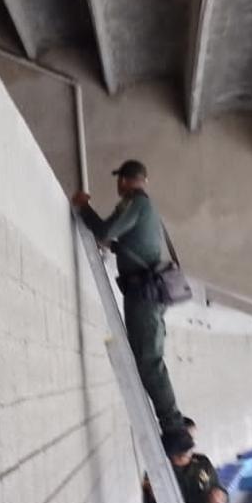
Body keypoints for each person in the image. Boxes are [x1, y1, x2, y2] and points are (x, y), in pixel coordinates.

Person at [71, 159, 187, 441]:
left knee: (149, 361)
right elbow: (120, 241)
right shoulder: (144, 207)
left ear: (123, 181)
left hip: (144, 294)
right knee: (148, 359)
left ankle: (174, 427)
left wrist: (84, 206)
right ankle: (172, 421)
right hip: (144, 293)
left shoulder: (137, 205)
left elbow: (104, 231)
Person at [142, 429, 228, 503]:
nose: (190, 455)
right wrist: (150, 496)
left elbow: (219, 490)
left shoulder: (201, 463)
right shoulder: (155, 474)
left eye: (190, 451)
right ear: (171, 455)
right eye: (185, 453)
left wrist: (222, 497)